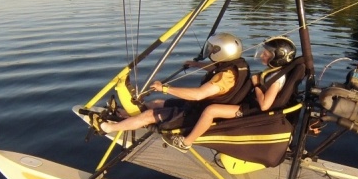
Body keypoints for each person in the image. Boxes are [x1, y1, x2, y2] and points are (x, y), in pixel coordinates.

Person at [92, 33, 251, 134]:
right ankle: (126, 116)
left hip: (199, 115)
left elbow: (198, 95)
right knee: (155, 103)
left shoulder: (225, 77)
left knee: (149, 115)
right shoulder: (236, 65)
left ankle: (107, 128)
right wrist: (197, 65)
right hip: (199, 107)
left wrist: (165, 88)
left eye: (212, 49)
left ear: (221, 52)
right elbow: (217, 68)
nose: (209, 51)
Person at [163, 36, 297, 152]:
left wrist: (256, 85)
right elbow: (219, 68)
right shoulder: (274, 72)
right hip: (250, 103)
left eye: (267, 54)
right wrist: (197, 64)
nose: (262, 55)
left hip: (252, 110)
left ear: (278, 58)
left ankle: (186, 143)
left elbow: (265, 105)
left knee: (211, 110)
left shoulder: (277, 79)